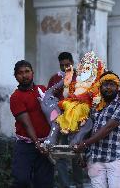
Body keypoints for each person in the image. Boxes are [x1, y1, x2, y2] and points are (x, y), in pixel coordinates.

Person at [74, 71, 120, 188]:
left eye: (112, 84)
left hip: (114, 159)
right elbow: (88, 130)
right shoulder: (95, 106)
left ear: (117, 87)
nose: (108, 88)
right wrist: (83, 154)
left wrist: (84, 144)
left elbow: (107, 129)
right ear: (100, 87)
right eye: (105, 85)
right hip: (95, 159)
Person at [10, 60, 54, 188]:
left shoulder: (42, 90)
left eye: (27, 71)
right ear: (16, 77)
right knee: (21, 180)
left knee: (44, 183)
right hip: (26, 145)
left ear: (32, 73)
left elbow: (53, 113)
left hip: (46, 144)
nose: (24, 75)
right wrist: (36, 143)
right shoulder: (16, 97)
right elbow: (26, 123)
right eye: (20, 73)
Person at [47, 52, 83, 188]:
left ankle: (79, 184)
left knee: (76, 152)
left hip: (77, 121)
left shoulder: (80, 78)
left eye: (67, 65)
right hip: (60, 121)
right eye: (62, 65)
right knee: (61, 153)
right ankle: (64, 185)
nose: (65, 68)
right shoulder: (55, 78)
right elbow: (49, 97)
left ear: (72, 63)